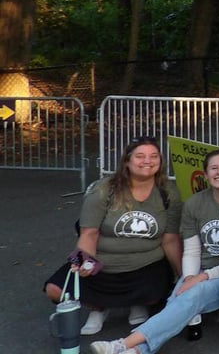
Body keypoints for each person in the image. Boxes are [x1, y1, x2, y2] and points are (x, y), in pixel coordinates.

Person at [88, 149, 219, 354]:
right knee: (181, 297)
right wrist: (188, 277)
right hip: (201, 272)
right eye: (214, 168)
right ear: (205, 173)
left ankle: (123, 343)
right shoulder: (195, 203)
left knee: (192, 294)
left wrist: (200, 279)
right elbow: (193, 250)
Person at [44, 137, 181, 336]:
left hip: (145, 264)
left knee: (157, 295)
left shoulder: (168, 192)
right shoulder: (104, 190)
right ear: (127, 161)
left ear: (160, 161)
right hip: (103, 262)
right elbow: (88, 233)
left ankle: (137, 303)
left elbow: (170, 239)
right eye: (140, 156)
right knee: (54, 290)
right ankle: (99, 308)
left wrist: (183, 276)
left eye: (153, 156)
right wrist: (84, 261)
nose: (147, 161)